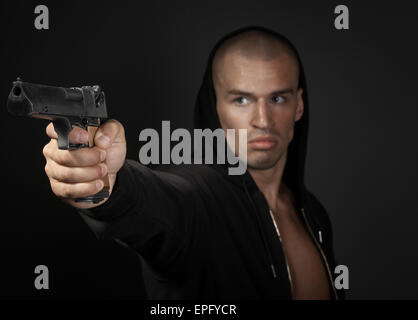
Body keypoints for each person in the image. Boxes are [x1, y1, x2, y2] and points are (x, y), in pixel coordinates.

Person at [42, 26, 344, 299]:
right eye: (242, 100)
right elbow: (158, 202)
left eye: (277, 99)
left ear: (299, 105)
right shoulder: (197, 201)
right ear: (214, 105)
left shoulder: (313, 214)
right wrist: (109, 185)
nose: (263, 121)